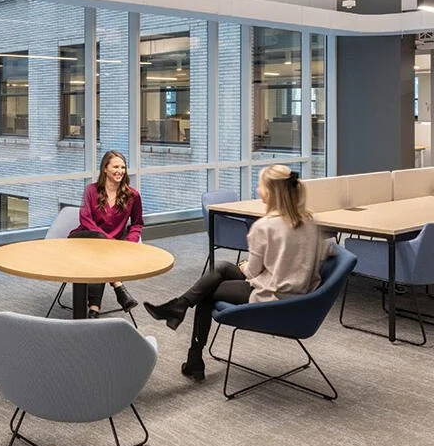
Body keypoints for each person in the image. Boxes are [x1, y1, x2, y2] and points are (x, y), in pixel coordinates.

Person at [144, 164, 329, 380]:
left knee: (208, 292)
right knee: (221, 267)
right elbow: (327, 251)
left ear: (269, 191)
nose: (257, 189)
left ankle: (193, 353)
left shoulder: (265, 227)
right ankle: (179, 307)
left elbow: (252, 272)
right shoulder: (309, 221)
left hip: (273, 296)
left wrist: (244, 266)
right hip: (300, 294)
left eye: (259, 185)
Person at [74, 151, 142, 316]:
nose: (120, 170)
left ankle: (94, 310)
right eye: (115, 167)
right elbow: (85, 220)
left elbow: (137, 224)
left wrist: (129, 243)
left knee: (100, 255)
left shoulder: (133, 195)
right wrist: (108, 241)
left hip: (108, 247)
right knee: (100, 245)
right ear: (105, 169)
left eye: (123, 167)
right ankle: (117, 284)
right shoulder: (91, 190)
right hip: (84, 238)